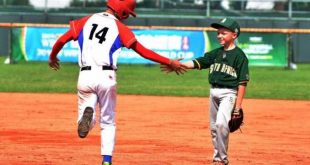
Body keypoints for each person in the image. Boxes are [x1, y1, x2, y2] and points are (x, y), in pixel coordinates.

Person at [48, 0, 185, 165]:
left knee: (86, 118)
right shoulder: (120, 28)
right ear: (123, 12)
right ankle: (106, 161)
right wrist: (169, 61)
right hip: (107, 76)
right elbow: (143, 52)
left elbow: (61, 41)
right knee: (108, 121)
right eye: (128, 13)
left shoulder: (86, 20)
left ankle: (89, 117)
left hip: (85, 76)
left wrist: (52, 57)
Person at [162, 18, 250, 165]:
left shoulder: (239, 56)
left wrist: (238, 106)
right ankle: (216, 159)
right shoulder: (215, 53)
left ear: (234, 35)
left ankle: (222, 160)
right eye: (218, 33)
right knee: (214, 128)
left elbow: (242, 82)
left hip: (229, 93)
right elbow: (198, 62)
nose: (219, 36)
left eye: (223, 33)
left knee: (222, 124)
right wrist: (179, 65)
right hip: (213, 92)